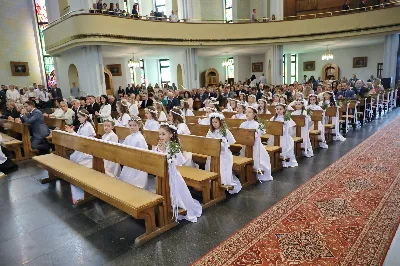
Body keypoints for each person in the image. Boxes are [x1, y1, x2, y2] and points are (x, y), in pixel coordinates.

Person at [154, 122, 202, 222]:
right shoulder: (161, 145)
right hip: (163, 173)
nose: (161, 136)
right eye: (159, 134)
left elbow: (178, 162)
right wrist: (160, 150)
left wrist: (164, 152)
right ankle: (168, 204)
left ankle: (178, 206)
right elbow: (156, 157)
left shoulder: (174, 146)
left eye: (163, 134)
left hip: (172, 174)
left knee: (176, 191)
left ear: (171, 135)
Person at [206, 113, 241, 194]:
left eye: (216, 122)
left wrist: (225, 143)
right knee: (210, 163)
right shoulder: (210, 131)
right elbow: (208, 141)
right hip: (213, 153)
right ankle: (214, 182)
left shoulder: (225, 131)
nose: (214, 124)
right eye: (213, 122)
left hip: (224, 153)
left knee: (222, 164)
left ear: (220, 122)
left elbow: (231, 141)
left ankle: (223, 181)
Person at [65, 109, 95, 203]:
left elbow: (81, 140)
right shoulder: (83, 125)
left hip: (86, 150)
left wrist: (72, 133)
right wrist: (72, 132)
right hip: (82, 148)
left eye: (80, 117)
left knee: (76, 159)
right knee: (73, 158)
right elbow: (79, 137)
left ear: (85, 117)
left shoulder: (87, 127)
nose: (78, 118)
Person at [239, 106, 273, 181]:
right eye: (246, 112)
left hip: (255, 146)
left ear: (254, 114)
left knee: (257, 159)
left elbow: (256, 136)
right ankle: (246, 170)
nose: (247, 113)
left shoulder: (257, 124)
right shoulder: (243, 124)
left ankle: (254, 171)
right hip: (246, 145)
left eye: (249, 112)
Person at [119, 117, 148, 188]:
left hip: (137, 163)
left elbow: (143, 152)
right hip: (129, 161)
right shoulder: (129, 137)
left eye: (134, 125)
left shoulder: (140, 138)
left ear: (139, 126)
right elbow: (123, 147)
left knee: (135, 182)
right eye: (130, 125)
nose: (132, 127)